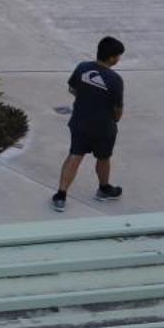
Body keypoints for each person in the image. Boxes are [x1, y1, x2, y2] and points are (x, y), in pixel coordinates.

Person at [52, 36, 124, 211]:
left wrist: (86, 98)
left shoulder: (83, 68)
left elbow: (72, 88)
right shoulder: (115, 80)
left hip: (79, 123)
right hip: (104, 127)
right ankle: (104, 188)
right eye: (118, 56)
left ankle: (61, 195)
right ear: (112, 58)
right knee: (104, 158)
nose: (119, 59)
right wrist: (114, 119)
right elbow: (117, 109)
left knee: (74, 156)